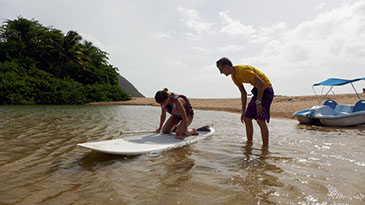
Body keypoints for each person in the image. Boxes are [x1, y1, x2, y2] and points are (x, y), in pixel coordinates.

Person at [216, 57, 274, 147]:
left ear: (226, 66)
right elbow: (243, 93)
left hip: (266, 90)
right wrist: (243, 111)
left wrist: (258, 103)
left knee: (260, 120)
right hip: (257, 91)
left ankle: (265, 148)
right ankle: (249, 145)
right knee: (247, 118)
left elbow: (261, 83)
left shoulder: (243, 70)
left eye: (221, 70)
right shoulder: (234, 77)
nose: (221, 73)